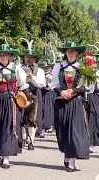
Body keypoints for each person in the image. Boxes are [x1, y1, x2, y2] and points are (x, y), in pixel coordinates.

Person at [0, 44, 29, 169]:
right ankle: (2, 152)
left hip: (11, 101)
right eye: (0, 54)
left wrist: (29, 100)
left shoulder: (17, 69)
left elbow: (23, 86)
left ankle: (6, 157)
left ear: (9, 56)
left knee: (9, 127)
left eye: (4, 54)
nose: (2, 56)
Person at [52, 41, 90, 172]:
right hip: (61, 102)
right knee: (63, 130)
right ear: (65, 53)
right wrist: (61, 92)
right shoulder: (59, 66)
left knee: (74, 131)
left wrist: (73, 91)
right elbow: (54, 84)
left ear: (77, 53)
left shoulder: (83, 67)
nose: (70, 53)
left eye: (73, 51)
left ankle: (72, 160)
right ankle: (67, 154)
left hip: (75, 102)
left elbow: (87, 87)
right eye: (68, 51)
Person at [20, 47, 46, 150]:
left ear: (34, 59)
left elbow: (42, 84)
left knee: (31, 118)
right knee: (21, 117)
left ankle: (31, 140)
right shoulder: (19, 68)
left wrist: (32, 76)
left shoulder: (39, 70)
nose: (28, 59)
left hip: (33, 95)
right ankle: (23, 138)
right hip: (21, 96)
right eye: (26, 57)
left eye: (30, 57)